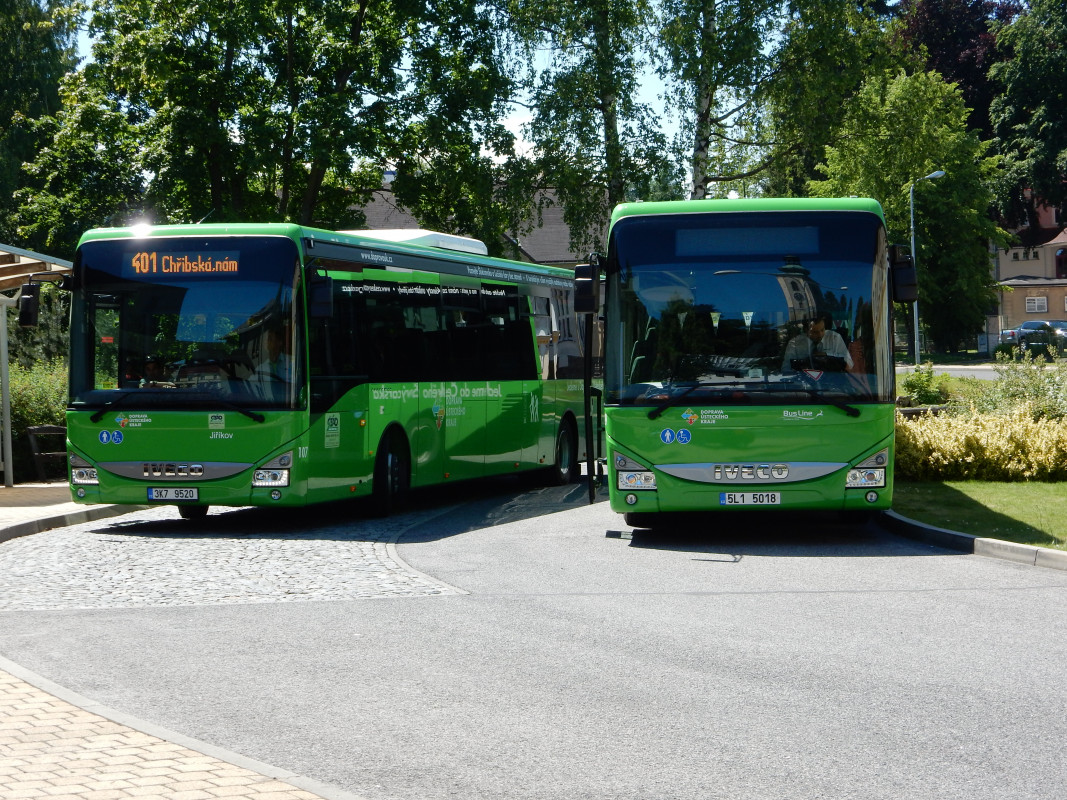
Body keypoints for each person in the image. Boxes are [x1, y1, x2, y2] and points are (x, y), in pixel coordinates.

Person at [782, 312, 853, 372]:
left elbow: (850, 365)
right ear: (806, 330)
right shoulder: (794, 344)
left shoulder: (835, 338)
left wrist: (827, 356)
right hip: (804, 385)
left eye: (822, 330)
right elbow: (786, 369)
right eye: (815, 332)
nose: (820, 334)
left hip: (831, 383)